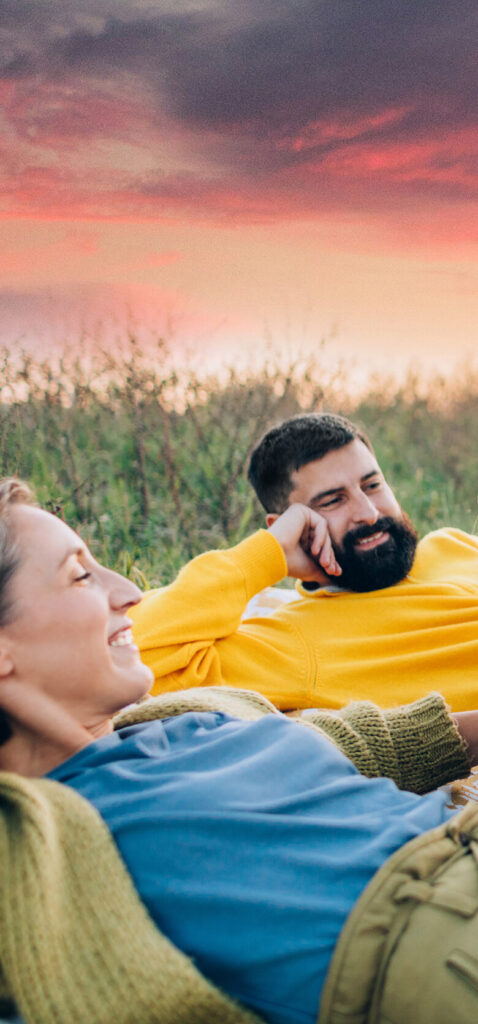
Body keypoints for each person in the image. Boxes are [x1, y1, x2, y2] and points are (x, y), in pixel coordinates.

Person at [2, 476, 478, 1024]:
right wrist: (266, 555)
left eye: (372, 483)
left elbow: (377, 740)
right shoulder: (34, 843)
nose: (129, 591)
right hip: (426, 933)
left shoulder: (185, 718)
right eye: (80, 575)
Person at [132, 412, 478, 711]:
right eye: (333, 501)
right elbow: (138, 655)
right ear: (286, 526)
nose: (369, 514)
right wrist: (266, 555)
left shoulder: (450, 545)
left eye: (372, 485)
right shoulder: (294, 645)